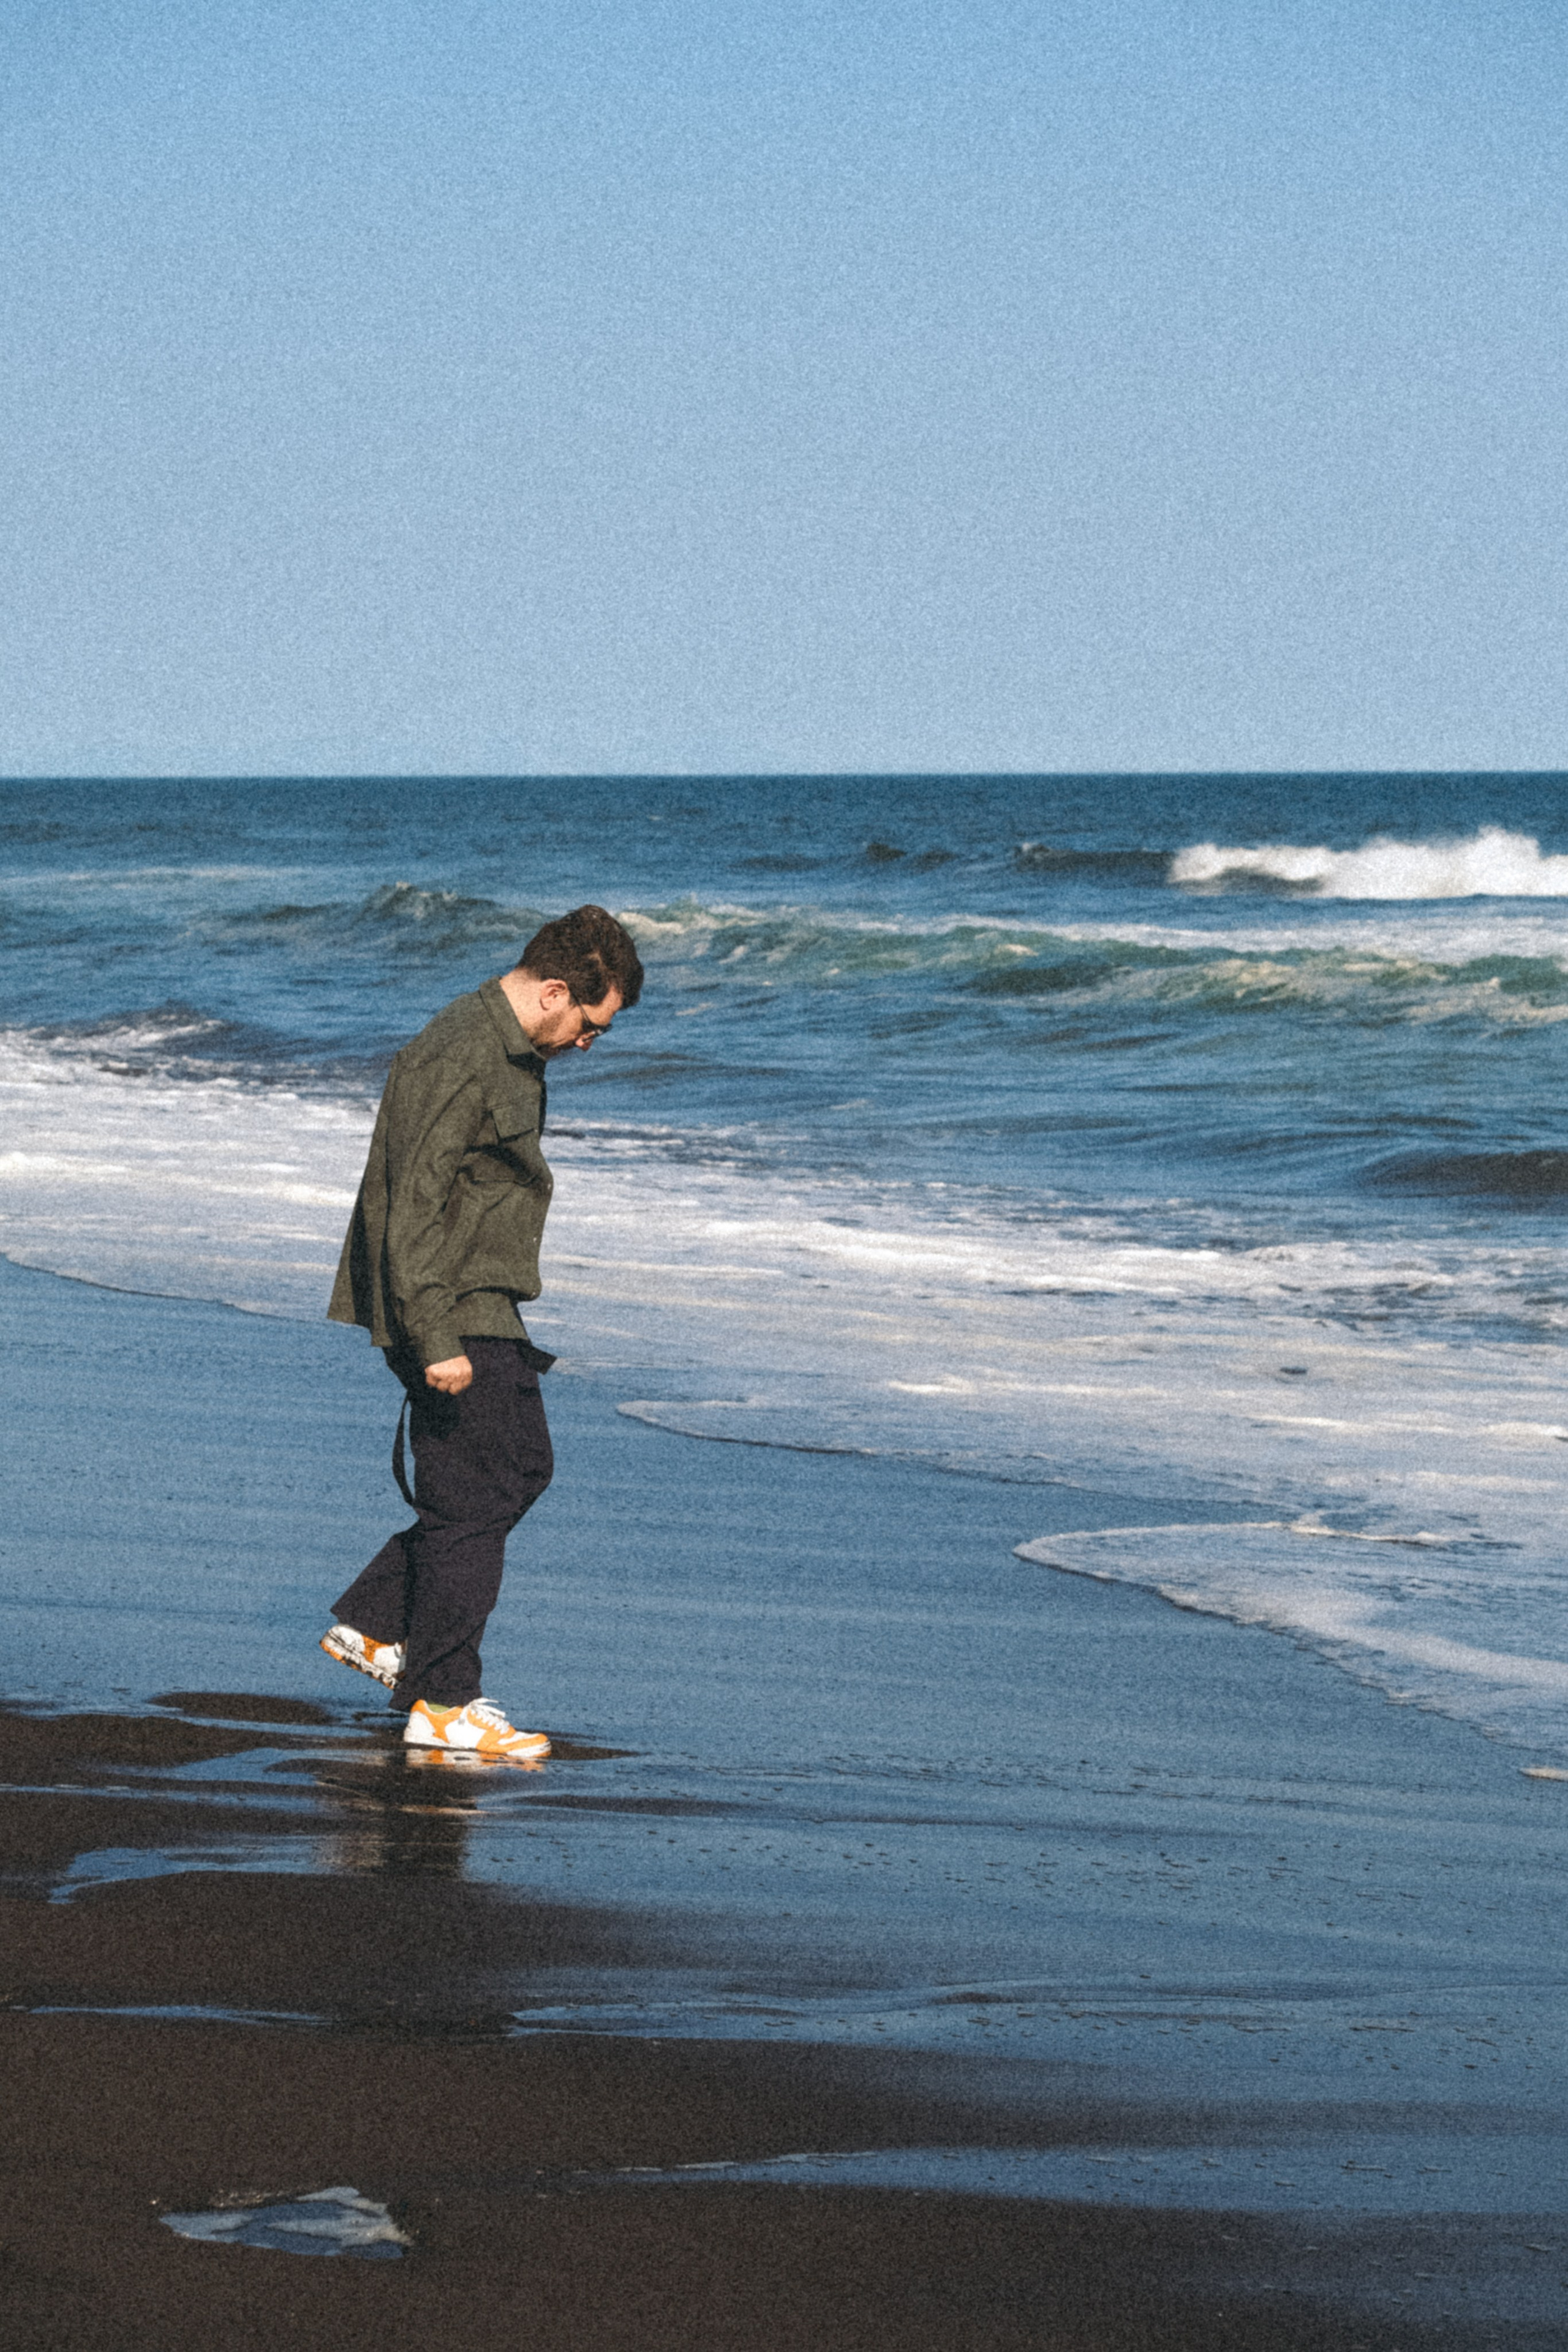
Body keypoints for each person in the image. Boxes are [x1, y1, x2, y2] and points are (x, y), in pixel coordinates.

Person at [320, 903, 644, 1762]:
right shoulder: (464, 1054)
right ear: (553, 992)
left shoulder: (497, 1049)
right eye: (589, 1026)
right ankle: (443, 1700)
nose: (585, 1045)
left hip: (472, 1300)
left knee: (505, 1475)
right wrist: (433, 1337)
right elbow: (413, 1204)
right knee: (486, 1487)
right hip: (450, 1305)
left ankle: (381, 1626)